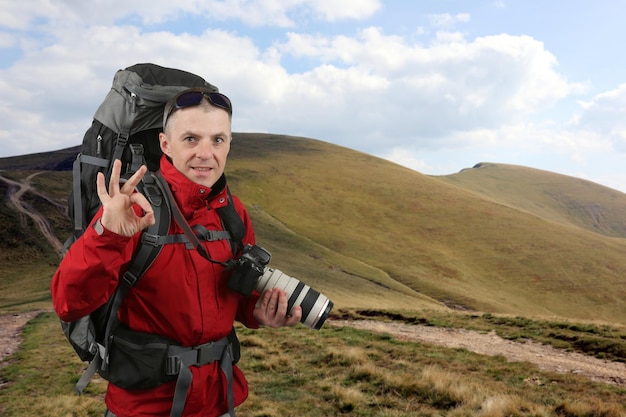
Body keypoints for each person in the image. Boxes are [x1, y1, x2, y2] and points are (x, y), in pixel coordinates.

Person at [51, 87, 302, 417]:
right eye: (191, 139)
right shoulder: (133, 207)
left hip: (218, 401)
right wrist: (108, 235)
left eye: (217, 140)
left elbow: (234, 295)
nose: (205, 153)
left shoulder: (232, 213)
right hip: (143, 408)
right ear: (165, 144)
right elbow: (70, 303)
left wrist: (258, 312)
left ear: (228, 144)